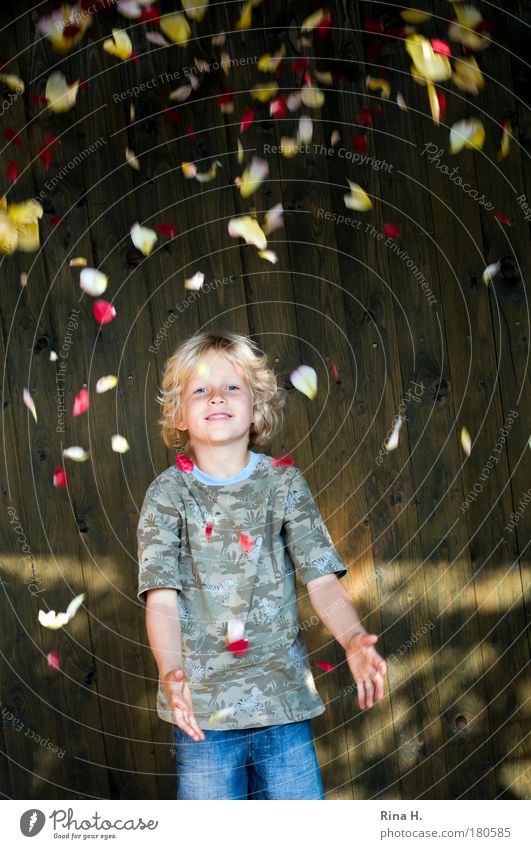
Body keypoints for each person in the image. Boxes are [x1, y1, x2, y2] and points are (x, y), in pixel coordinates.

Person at [137, 330, 387, 800]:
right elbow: (161, 596)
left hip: (283, 700)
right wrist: (171, 671)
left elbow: (322, 581)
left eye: (232, 386)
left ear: (258, 405)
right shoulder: (168, 495)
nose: (216, 397)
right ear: (179, 412)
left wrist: (353, 638)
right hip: (203, 711)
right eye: (200, 390)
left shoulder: (284, 483)